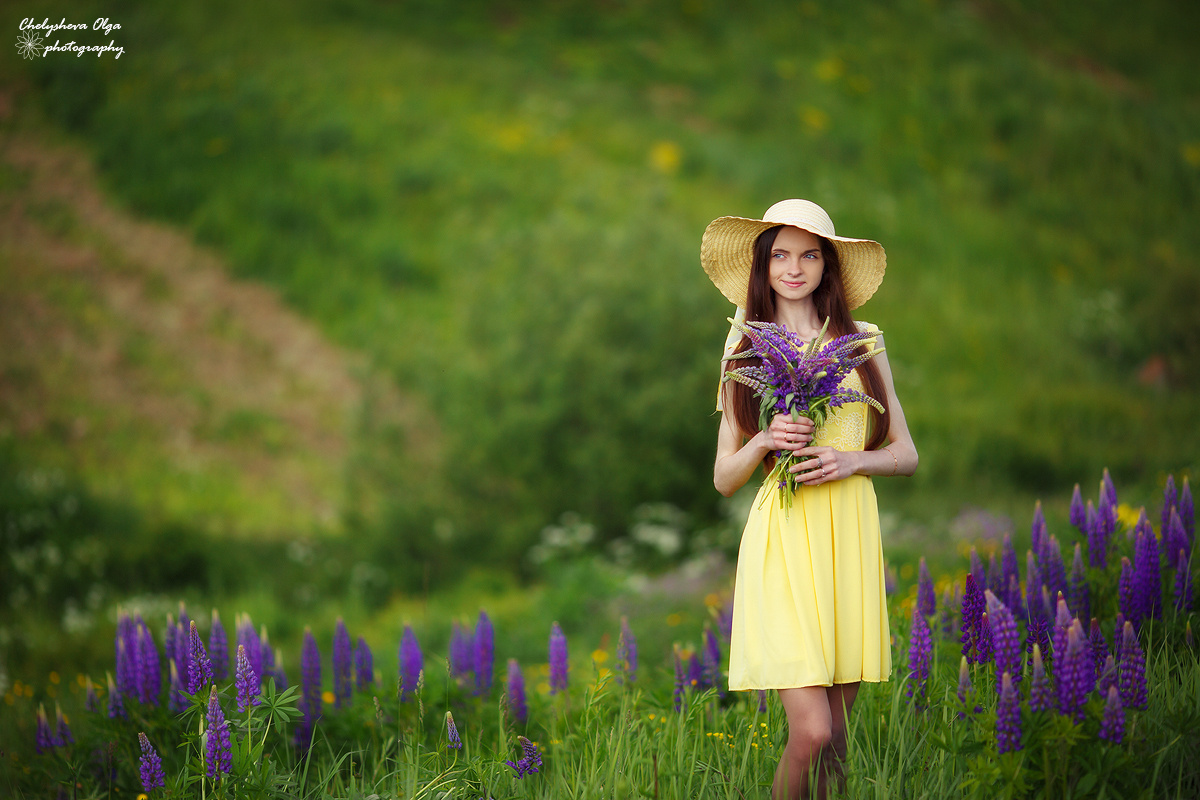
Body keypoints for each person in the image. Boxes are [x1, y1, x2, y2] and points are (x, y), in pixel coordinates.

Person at [702, 199, 918, 800]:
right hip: (786, 538)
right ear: (763, 265)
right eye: (781, 255)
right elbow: (723, 476)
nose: (794, 268)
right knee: (814, 733)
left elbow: (907, 453)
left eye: (809, 255)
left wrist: (853, 460)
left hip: (848, 533)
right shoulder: (744, 346)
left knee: (840, 735)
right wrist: (767, 439)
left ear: (828, 266)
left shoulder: (863, 342)